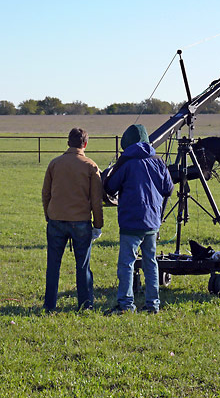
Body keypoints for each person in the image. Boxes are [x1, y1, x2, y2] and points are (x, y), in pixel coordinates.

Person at [104, 124, 173, 314]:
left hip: (131, 221)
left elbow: (110, 187)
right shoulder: (158, 161)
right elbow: (169, 189)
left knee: (127, 263)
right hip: (152, 221)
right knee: (151, 263)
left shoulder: (126, 162)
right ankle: (153, 304)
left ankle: (126, 305)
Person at [42, 128, 104, 311]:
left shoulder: (54, 164)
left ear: (68, 142)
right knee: (82, 266)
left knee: (53, 266)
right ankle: (85, 305)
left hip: (56, 220)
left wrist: (49, 214)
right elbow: (96, 200)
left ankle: (49, 305)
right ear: (85, 144)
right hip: (81, 222)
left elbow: (46, 193)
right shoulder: (91, 166)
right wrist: (98, 225)